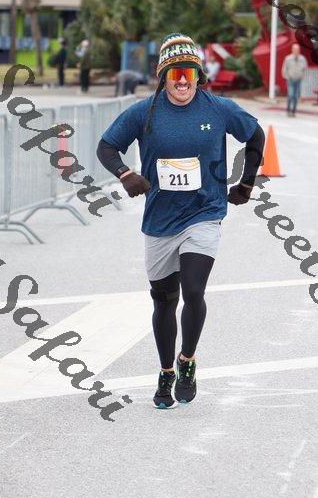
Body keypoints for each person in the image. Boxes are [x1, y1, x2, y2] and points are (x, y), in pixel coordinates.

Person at [96, 32, 265, 409]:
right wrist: (125, 173)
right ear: (163, 76)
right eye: (175, 73)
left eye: (189, 72)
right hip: (160, 220)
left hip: (204, 214)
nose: (183, 80)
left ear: (199, 75)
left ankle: (187, 361)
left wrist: (246, 183)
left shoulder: (218, 108)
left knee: (193, 291)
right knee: (163, 300)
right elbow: (106, 146)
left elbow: (255, 137)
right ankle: (165, 370)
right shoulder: (144, 112)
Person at [281, 43, 308, 116]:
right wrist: (287, 77)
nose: (296, 51)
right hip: (290, 80)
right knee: (291, 94)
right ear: (292, 50)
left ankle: (293, 111)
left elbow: (305, 69)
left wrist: (302, 76)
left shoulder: (302, 59)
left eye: (297, 50)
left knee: (296, 96)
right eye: (295, 49)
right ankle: (288, 110)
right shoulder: (288, 58)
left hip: (298, 80)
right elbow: (284, 69)